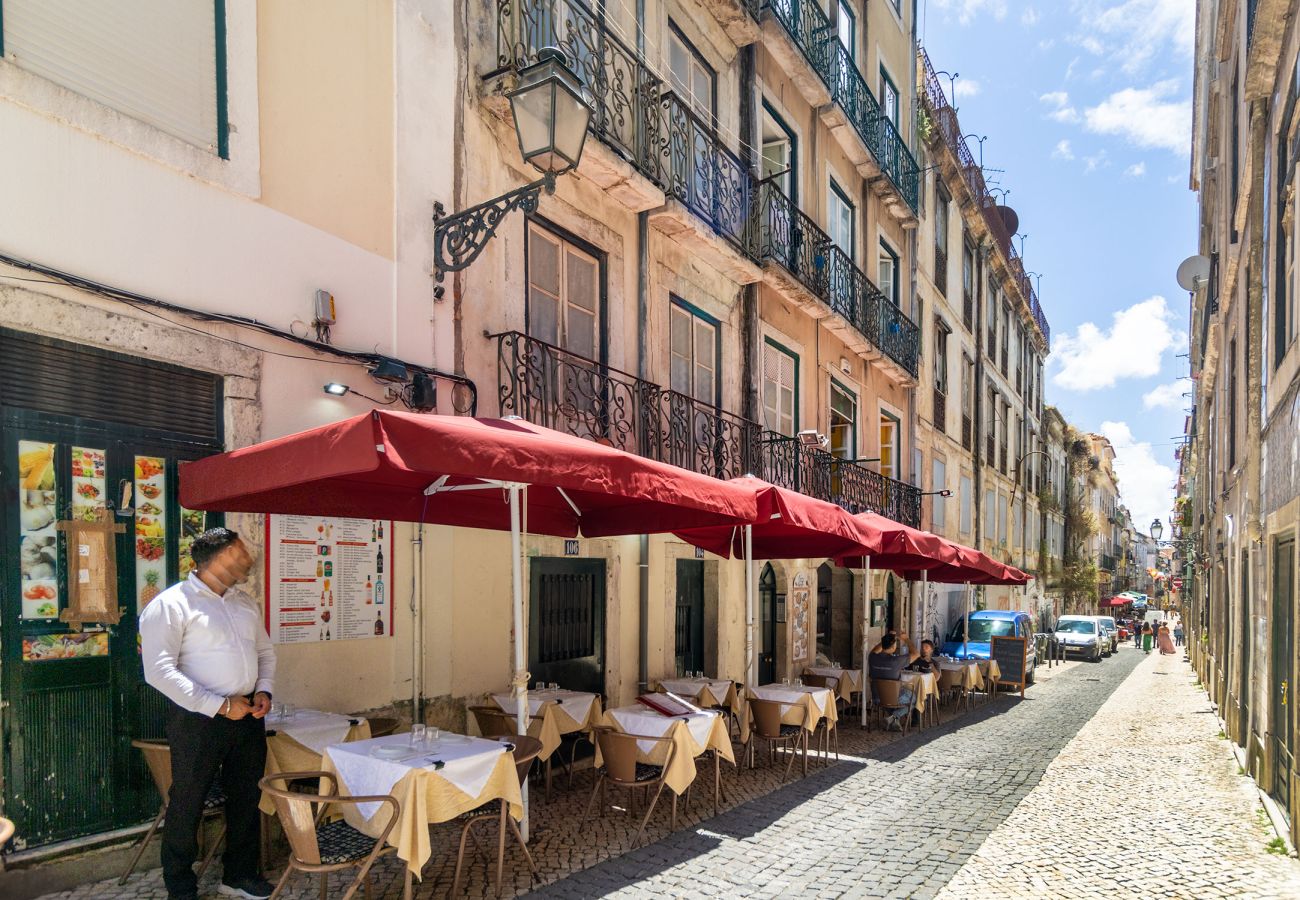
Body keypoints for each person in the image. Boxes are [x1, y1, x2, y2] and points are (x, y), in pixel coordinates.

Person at [139, 528, 277, 900]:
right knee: (189, 798)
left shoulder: (245, 603)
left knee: (246, 795)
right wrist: (219, 705)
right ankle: (180, 886)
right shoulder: (171, 605)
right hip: (198, 717)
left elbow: (265, 652)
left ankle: (239, 875)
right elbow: (159, 671)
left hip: (248, 713)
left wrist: (263, 688)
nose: (247, 558)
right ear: (220, 556)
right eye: (239, 551)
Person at [868, 631, 919, 730]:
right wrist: (906, 639)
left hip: (877, 698)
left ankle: (893, 720)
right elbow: (916, 654)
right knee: (914, 698)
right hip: (893, 698)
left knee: (893, 700)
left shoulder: (872, 657)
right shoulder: (897, 661)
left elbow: (874, 650)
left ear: (882, 645)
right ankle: (895, 717)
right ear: (893, 647)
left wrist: (886, 639)